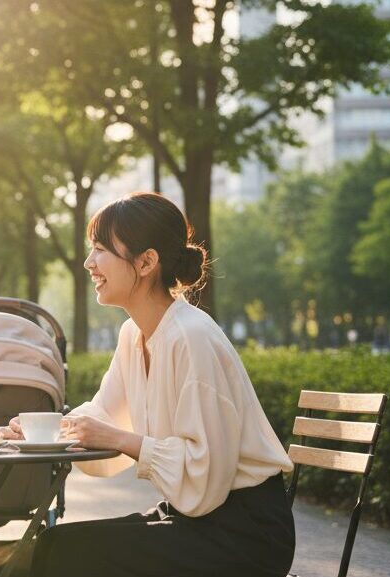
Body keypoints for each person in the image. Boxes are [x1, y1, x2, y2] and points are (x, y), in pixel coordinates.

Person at [16, 192, 295, 577]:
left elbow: (204, 476)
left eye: (100, 249)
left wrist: (119, 440)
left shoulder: (191, 337)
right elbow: (104, 415)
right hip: (197, 519)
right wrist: (33, 431)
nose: (88, 262)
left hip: (244, 535)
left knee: (67, 554)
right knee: (50, 546)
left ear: (146, 262)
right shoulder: (134, 334)